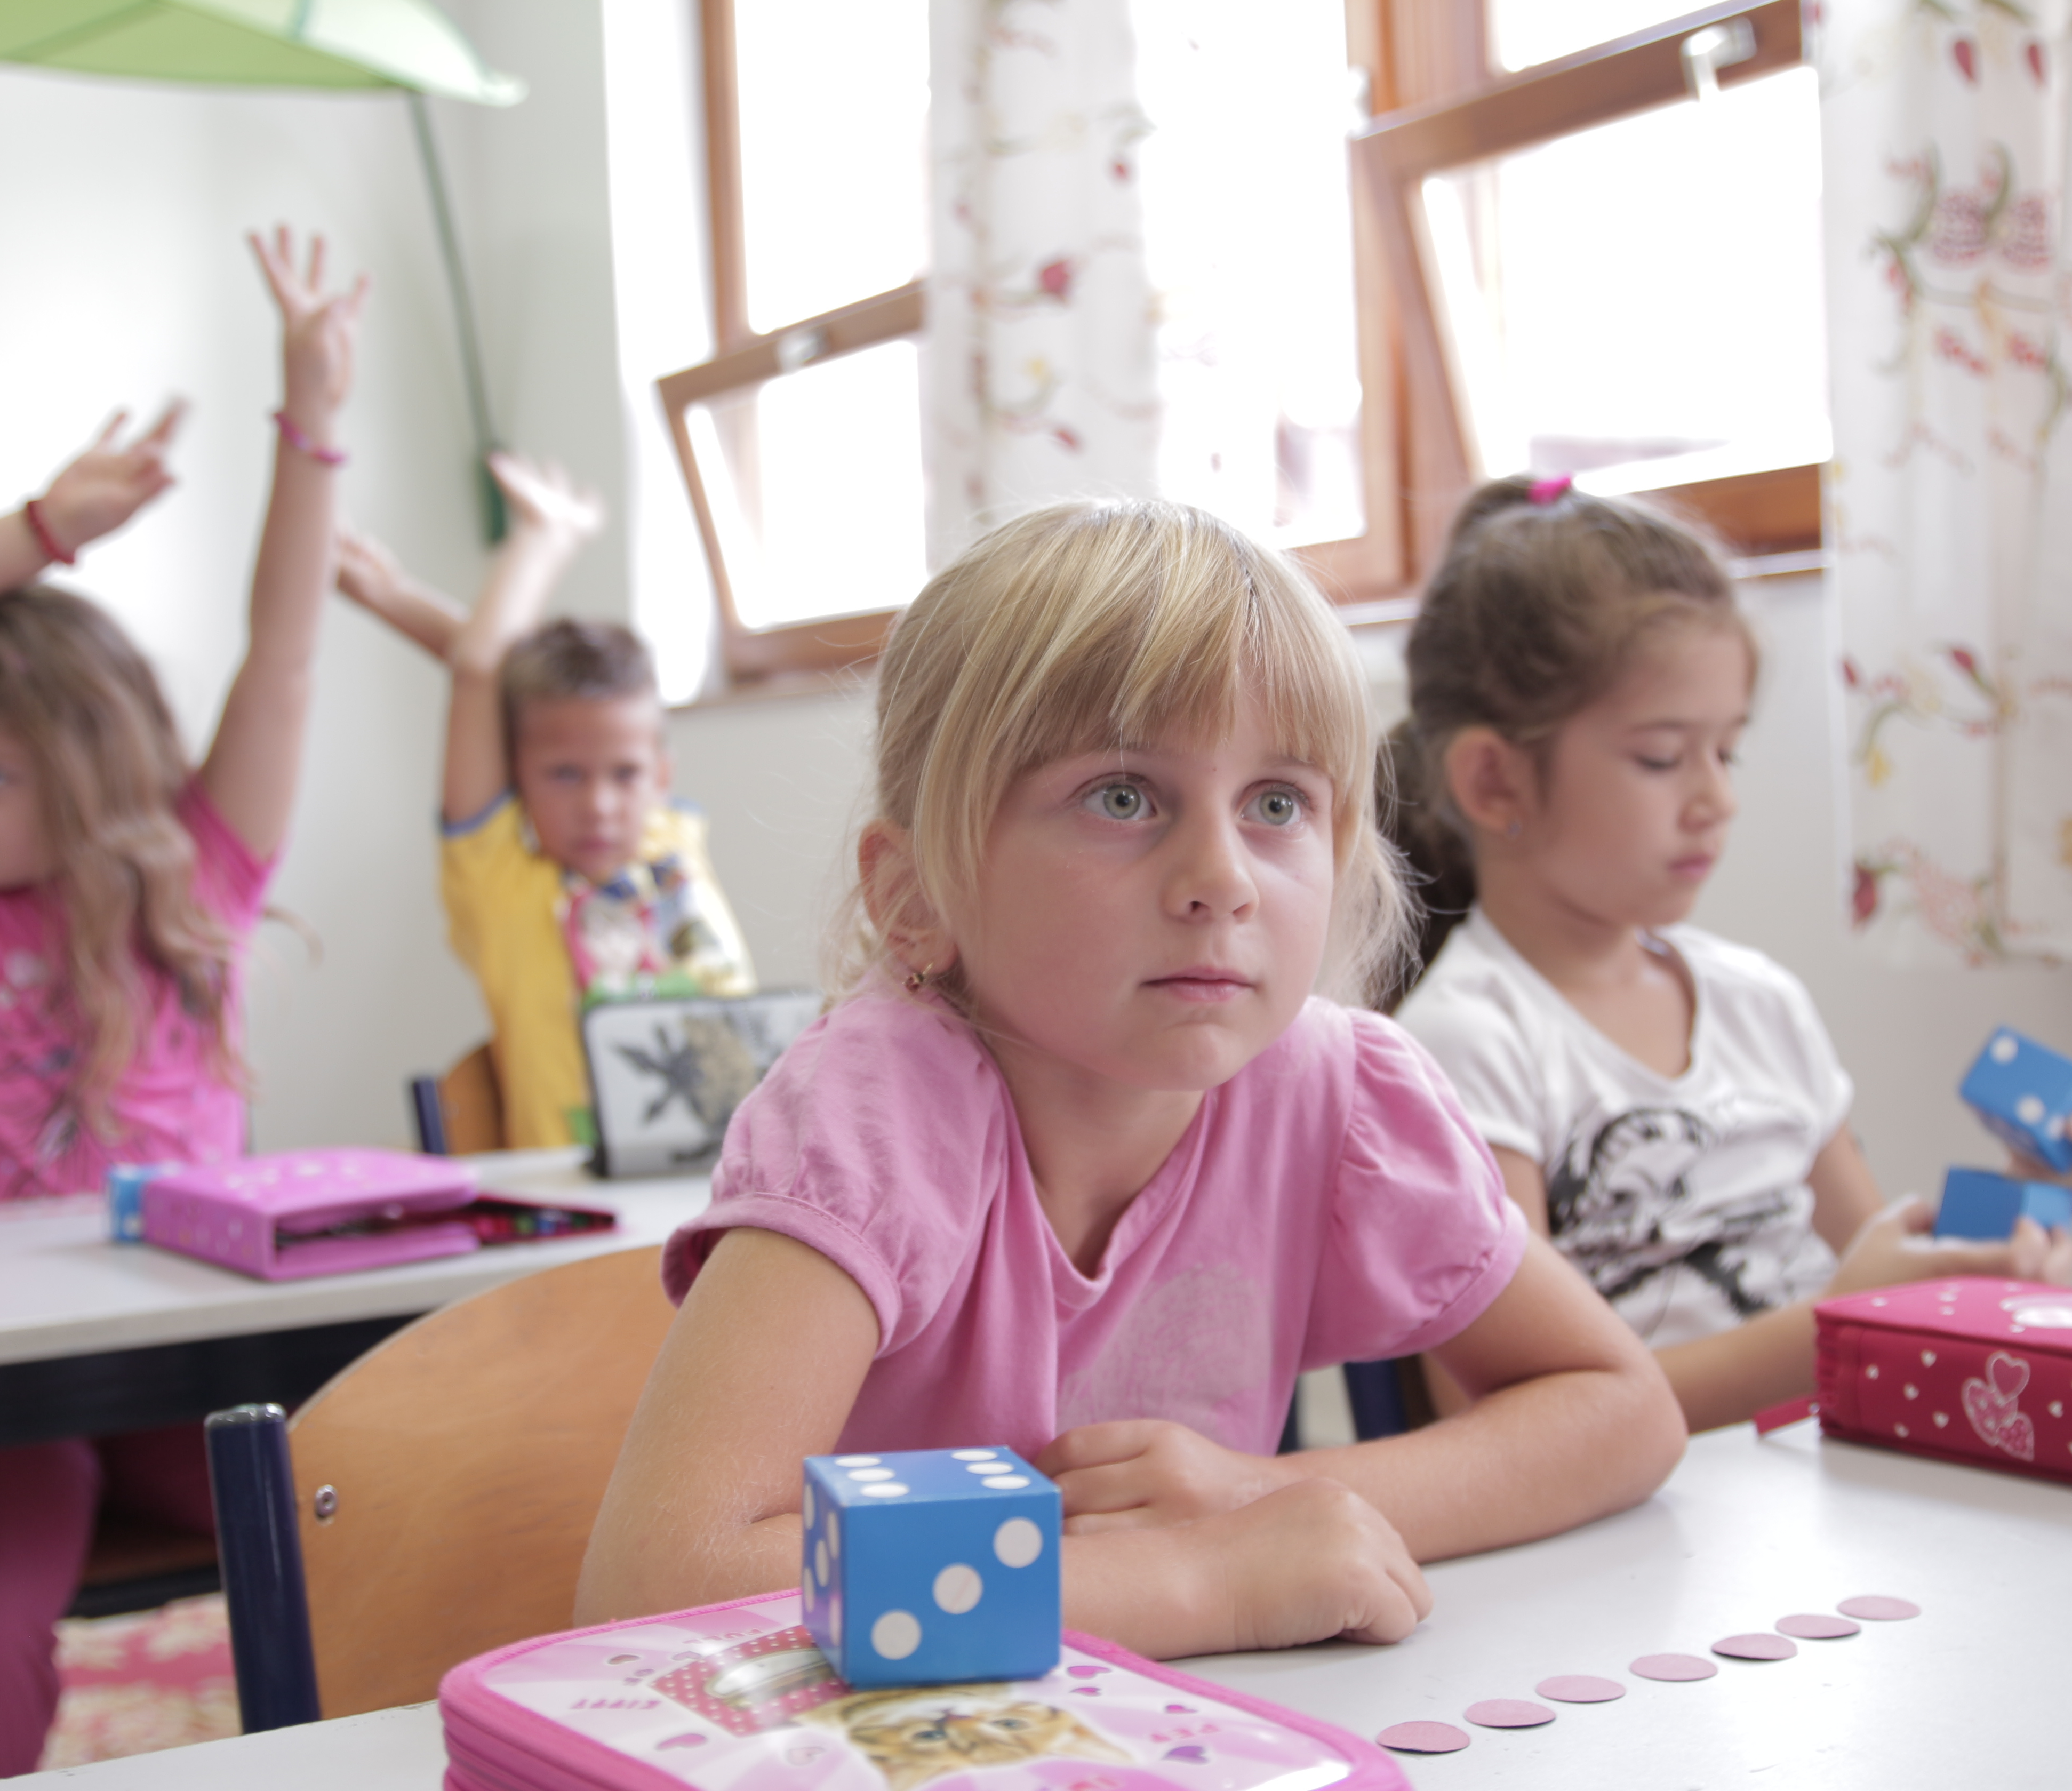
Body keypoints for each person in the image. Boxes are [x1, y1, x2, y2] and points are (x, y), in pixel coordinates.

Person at [576, 499, 1686, 1660]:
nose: (1222, 877)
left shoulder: (1334, 1092)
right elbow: (655, 1586)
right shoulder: (874, 1121)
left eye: (1277, 805)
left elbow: (1620, 1408)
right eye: (1122, 797)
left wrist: (1257, 1497)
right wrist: (1198, 1582)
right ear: (917, 897)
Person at [0, 227, 364, 1790]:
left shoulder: (203, 868)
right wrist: (44, 530)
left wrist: (313, 420)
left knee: (411, 1522)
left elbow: (286, 654)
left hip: (197, 1367)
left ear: (90, 761)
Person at [1379, 476, 2072, 1435]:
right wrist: (1832, 1328)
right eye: (1663, 758)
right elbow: (1499, 1419)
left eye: (1729, 753)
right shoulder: (1465, 1047)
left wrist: (2035, 1201)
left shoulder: (1758, 1001)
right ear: (1495, 780)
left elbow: (1882, 1269)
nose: (1718, 799)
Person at [337, 455, 753, 1150]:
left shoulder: (669, 839)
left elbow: (523, 691)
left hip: (734, 1179)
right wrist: (545, 539)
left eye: (625, 774)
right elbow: (481, 673)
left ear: (661, 775)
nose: (599, 805)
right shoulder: (499, 881)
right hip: (582, 1200)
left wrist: (393, 597)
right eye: (564, 775)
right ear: (514, 777)